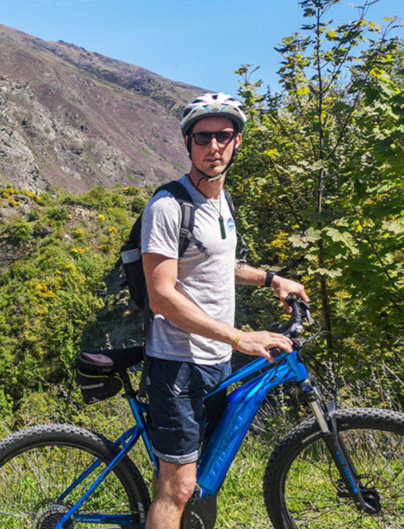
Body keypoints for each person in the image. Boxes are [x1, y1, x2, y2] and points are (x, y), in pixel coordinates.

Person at [140, 92, 309, 529]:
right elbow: (161, 295)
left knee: (203, 483)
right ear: (187, 143)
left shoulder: (221, 203)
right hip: (177, 366)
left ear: (237, 142)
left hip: (215, 362)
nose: (213, 146)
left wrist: (273, 279)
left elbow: (221, 266)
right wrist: (240, 338)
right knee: (175, 487)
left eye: (224, 136)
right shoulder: (167, 206)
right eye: (202, 137)